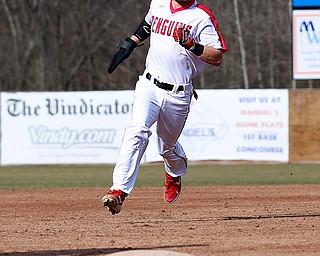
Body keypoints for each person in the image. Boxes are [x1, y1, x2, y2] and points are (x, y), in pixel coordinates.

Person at [102, 0, 228, 215]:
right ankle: (119, 191)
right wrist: (131, 41)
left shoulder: (201, 16)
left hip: (178, 93)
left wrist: (191, 45)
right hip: (149, 84)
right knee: (137, 130)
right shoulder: (159, 2)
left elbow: (216, 57)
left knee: (166, 147)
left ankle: (174, 172)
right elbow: (149, 22)